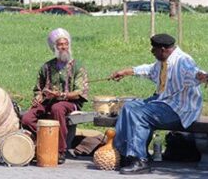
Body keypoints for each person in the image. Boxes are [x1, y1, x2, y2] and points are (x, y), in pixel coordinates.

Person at [110, 33, 208, 175]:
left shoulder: (182, 61)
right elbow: (148, 70)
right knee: (128, 107)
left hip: (181, 110)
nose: (152, 52)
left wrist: (203, 77)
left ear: (162, 49)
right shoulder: (163, 61)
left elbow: (195, 73)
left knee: (138, 114)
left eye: (153, 49)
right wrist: (125, 72)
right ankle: (125, 154)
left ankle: (139, 160)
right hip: (165, 101)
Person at [21, 28, 89, 164]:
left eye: (66, 44)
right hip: (49, 102)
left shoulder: (77, 66)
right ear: (54, 47)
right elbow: (38, 89)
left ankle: (60, 150)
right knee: (27, 118)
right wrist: (38, 97)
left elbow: (80, 92)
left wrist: (61, 94)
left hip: (69, 102)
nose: (63, 47)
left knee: (57, 109)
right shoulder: (46, 67)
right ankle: (47, 141)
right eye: (60, 44)